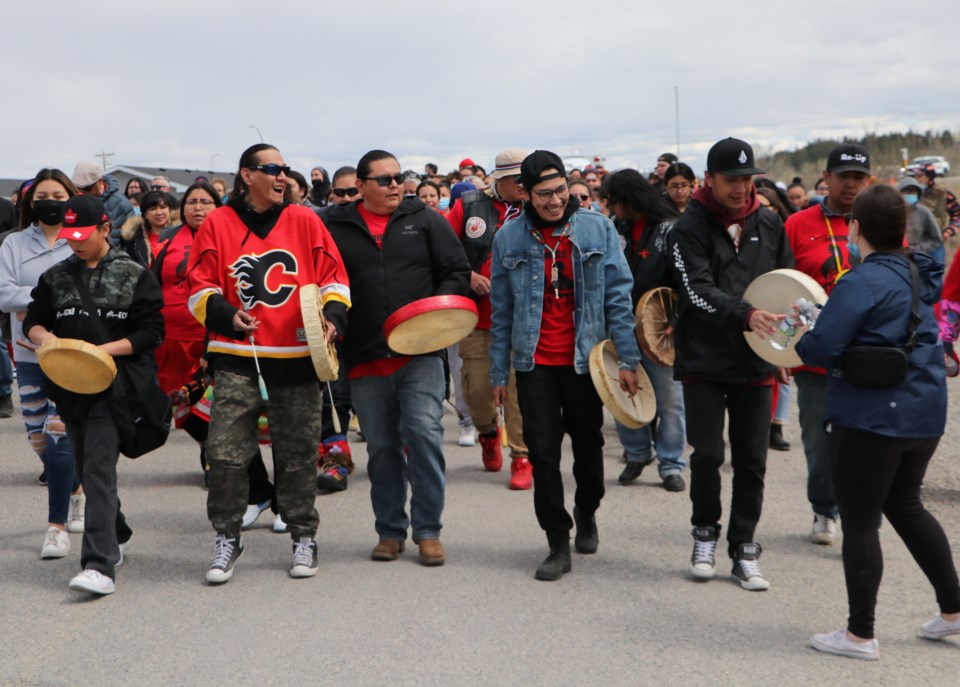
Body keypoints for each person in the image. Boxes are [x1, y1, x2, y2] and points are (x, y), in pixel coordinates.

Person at [796, 184, 960, 660]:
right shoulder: (916, 272)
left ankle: (859, 634)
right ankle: (953, 609)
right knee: (907, 506)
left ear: (856, 228)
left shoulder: (860, 280)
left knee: (862, 521)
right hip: (924, 412)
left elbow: (820, 349)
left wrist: (806, 327)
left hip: (871, 418)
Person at [187, 143, 350, 584]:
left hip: (298, 357)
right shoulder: (219, 222)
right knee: (223, 454)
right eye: (272, 169)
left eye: (286, 169)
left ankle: (303, 534)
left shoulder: (305, 219)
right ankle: (227, 534)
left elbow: (334, 276)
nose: (282, 177)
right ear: (246, 175)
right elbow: (198, 286)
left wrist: (334, 317)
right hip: (238, 357)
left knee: (297, 456)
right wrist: (226, 315)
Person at [489, 150, 640, 581]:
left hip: (585, 361)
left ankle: (587, 511)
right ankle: (557, 539)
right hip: (534, 361)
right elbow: (501, 311)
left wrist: (627, 360)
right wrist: (499, 374)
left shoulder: (598, 229)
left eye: (560, 191)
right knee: (542, 453)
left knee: (589, 449)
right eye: (544, 194)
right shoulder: (509, 238)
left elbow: (618, 298)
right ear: (526, 194)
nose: (555, 201)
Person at [324, 149, 470, 566]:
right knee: (383, 447)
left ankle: (428, 531)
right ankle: (390, 531)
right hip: (365, 354)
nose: (395, 186)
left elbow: (455, 271)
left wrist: (437, 313)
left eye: (399, 178)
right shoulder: (333, 224)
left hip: (420, 351)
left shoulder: (424, 220)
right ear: (362, 186)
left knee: (423, 434)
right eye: (385, 180)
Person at [24, 194, 165, 596]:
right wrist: (46, 338)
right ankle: (116, 531)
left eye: (84, 235)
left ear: (106, 228)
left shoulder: (134, 273)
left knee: (99, 472)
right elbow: (32, 321)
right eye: (69, 236)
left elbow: (152, 331)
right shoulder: (56, 276)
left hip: (114, 389)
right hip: (70, 387)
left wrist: (104, 350)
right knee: (87, 470)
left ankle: (99, 565)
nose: (75, 242)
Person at [671, 137, 794, 591]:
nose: (741, 188)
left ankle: (745, 548)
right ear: (710, 179)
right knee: (707, 455)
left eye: (748, 180)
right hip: (704, 361)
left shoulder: (769, 222)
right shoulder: (687, 228)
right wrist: (747, 315)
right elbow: (697, 290)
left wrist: (785, 348)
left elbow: (789, 287)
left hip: (757, 361)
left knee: (752, 461)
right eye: (732, 180)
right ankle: (704, 534)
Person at [783, 144, 869, 545]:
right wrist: (780, 350)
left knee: (863, 440)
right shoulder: (798, 224)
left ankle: (859, 517)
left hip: (867, 353)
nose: (851, 184)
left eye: (858, 177)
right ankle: (824, 509)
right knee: (819, 439)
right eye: (844, 177)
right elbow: (782, 286)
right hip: (815, 354)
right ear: (827, 178)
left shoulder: (880, 221)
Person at [0, 169, 84, 558]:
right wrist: (50, 295)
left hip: (72, 352)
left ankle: (57, 526)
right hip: (28, 352)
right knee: (38, 438)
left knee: (59, 430)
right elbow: (4, 294)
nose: (50, 201)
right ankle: (75, 488)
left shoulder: (79, 240)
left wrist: (33, 297)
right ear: (30, 203)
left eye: (58, 194)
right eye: (42, 196)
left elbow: (89, 291)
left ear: (71, 197)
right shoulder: (13, 244)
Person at [446, 148, 533, 489]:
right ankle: (486, 432)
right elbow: (443, 251)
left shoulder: (537, 206)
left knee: (518, 390)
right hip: (476, 317)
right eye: (520, 181)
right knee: (478, 392)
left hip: (523, 319)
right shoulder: (467, 206)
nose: (527, 187)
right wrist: (468, 276)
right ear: (501, 180)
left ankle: (522, 456)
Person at [601, 169, 687, 492]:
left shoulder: (671, 230)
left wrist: (675, 320)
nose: (612, 208)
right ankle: (636, 453)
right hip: (621, 325)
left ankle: (671, 463)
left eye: (615, 202)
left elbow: (685, 282)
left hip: (661, 329)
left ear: (630, 200)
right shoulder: (613, 228)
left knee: (670, 401)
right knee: (624, 393)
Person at [72, 160, 136, 230]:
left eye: (87, 188)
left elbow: (132, 236)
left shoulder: (122, 203)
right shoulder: (74, 203)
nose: (82, 193)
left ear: (100, 181)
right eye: (78, 188)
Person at [118, 190, 172, 266]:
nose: (159, 212)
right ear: (145, 214)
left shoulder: (180, 234)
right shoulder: (134, 240)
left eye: (163, 207)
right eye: (153, 209)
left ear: (169, 210)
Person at [899, 177, 943, 264]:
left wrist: (917, 249)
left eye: (912, 192)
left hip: (919, 259)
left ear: (918, 194)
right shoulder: (893, 212)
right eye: (906, 191)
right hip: (898, 260)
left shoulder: (924, 212)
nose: (909, 194)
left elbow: (936, 239)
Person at [913, 163, 960, 244]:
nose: (916, 178)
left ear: (929, 177)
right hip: (915, 241)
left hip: (936, 241)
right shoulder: (912, 192)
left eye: (920, 175)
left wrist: (949, 231)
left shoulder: (943, 194)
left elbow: (957, 215)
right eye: (915, 175)